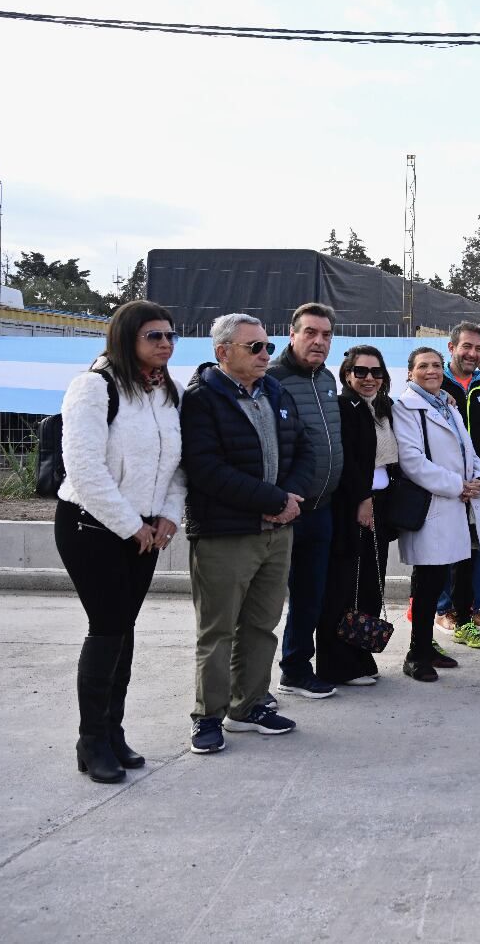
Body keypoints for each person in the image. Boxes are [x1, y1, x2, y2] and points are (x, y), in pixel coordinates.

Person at [55, 300, 186, 782]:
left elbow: (177, 463)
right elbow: (84, 469)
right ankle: (91, 742)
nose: (166, 344)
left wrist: (169, 516)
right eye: (154, 336)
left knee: (124, 629)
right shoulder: (93, 387)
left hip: (146, 530)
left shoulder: (165, 391)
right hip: (93, 526)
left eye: (171, 336)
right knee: (108, 626)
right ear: (126, 337)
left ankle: (114, 731)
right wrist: (133, 525)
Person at [181, 314, 314, 754]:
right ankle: (208, 716)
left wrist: (291, 496)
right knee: (218, 631)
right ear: (223, 352)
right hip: (227, 533)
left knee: (261, 625)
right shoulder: (202, 399)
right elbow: (206, 469)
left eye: (267, 347)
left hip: (277, 532)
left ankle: (250, 704)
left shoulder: (274, 390)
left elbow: (303, 447)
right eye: (254, 347)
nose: (265, 355)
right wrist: (272, 501)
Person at [392, 347, 480, 682]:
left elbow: (469, 449)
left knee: (439, 581)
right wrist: (458, 486)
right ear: (410, 373)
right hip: (435, 506)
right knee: (427, 584)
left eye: (436, 365)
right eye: (423, 366)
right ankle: (415, 653)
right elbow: (413, 462)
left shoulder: (446, 405)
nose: (432, 371)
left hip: (456, 503)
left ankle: (427, 648)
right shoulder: (405, 407)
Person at [268, 302, 344, 701]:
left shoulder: (327, 379)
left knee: (309, 596)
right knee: (262, 604)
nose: (319, 341)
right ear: (292, 333)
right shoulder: (273, 379)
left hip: (322, 508)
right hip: (283, 510)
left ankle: (296, 669)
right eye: (311, 332)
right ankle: (246, 688)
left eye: (326, 335)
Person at [316, 346, 398, 688]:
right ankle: (336, 665)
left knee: (369, 587)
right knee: (343, 587)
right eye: (361, 372)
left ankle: (359, 656)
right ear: (347, 374)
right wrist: (362, 499)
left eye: (376, 372)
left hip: (380, 504)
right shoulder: (343, 408)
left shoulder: (382, 408)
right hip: (353, 507)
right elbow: (346, 460)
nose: (368, 378)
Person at [435, 322, 480, 645]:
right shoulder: (436, 382)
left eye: (479, 348)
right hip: (443, 487)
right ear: (452, 347)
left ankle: (471, 608)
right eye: (468, 347)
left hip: (479, 488)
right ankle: (443, 610)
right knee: (445, 550)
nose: (474, 354)